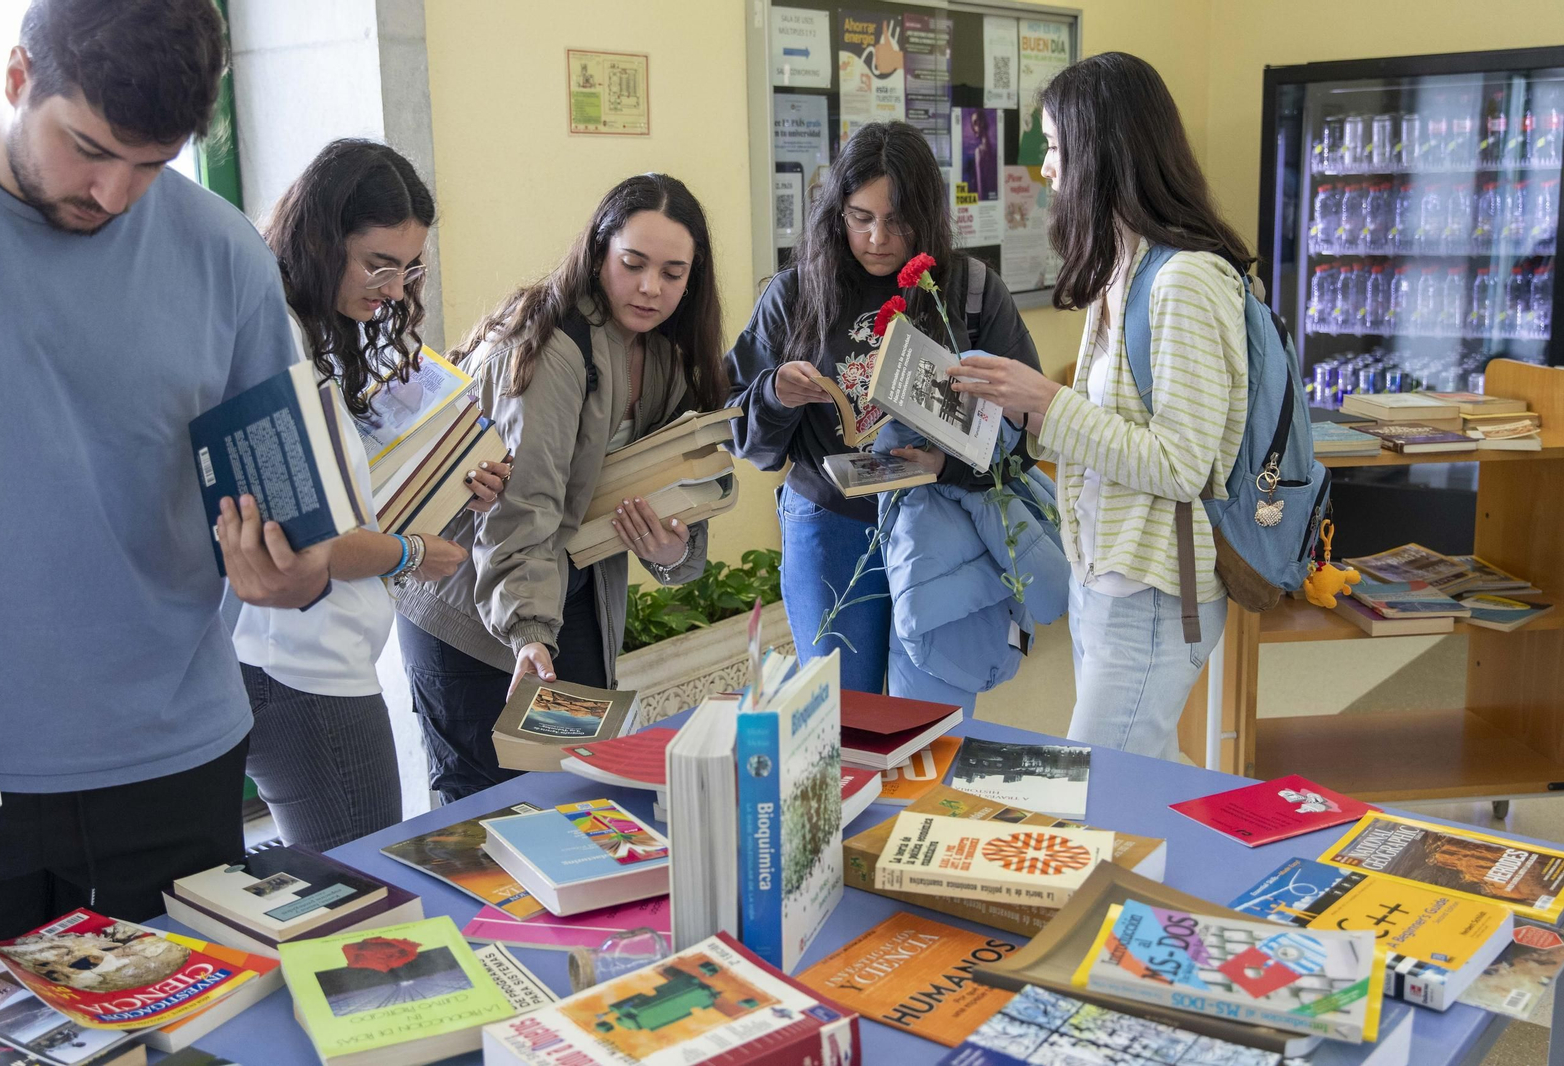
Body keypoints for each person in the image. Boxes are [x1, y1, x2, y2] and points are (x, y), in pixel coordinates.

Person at [0, 0, 329, 938]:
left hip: (171, 768)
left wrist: (292, 574)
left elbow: (294, 529)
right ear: (16, 79)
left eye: (153, 164)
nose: (115, 193)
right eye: (88, 147)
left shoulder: (224, 255)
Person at [947, 52, 1251, 760]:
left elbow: (1183, 466)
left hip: (1153, 585)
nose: (1046, 168)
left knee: (1097, 788)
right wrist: (1025, 407)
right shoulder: (1125, 267)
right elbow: (1113, 432)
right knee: (1142, 775)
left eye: (1055, 146)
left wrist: (1048, 404)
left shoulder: (1184, 283)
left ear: (1103, 151)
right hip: (1108, 573)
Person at [394, 174, 726, 803]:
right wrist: (529, 634)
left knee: (579, 803)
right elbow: (524, 509)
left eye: (673, 273)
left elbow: (681, 477)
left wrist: (674, 552)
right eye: (633, 264)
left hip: (566, 589)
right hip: (473, 606)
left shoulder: (662, 353)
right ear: (599, 250)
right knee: (489, 822)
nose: (651, 287)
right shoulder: (551, 346)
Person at [234, 139, 509, 850]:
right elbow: (310, 541)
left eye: (409, 267)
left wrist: (454, 488)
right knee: (362, 900)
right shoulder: (279, 345)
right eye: (377, 263)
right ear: (322, 240)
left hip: (303, 657)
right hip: (303, 668)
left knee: (338, 889)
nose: (393, 287)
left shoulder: (326, 336)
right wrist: (415, 552)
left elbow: (353, 500)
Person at [725, 121, 1040, 693]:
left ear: (929, 214)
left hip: (944, 524)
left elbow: (1025, 431)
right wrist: (775, 394)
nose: (877, 238)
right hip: (830, 528)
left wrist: (947, 465)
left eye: (897, 220)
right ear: (837, 211)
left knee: (931, 719)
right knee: (844, 718)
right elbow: (737, 431)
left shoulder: (970, 290)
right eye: (861, 217)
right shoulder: (795, 295)